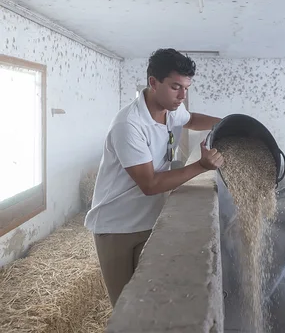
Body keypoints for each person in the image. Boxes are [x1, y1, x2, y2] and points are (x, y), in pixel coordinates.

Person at [84, 48, 224, 307]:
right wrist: (202, 166)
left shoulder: (171, 110)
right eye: (175, 87)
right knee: (128, 306)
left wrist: (227, 124)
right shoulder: (129, 125)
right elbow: (149, 184)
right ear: (152, 82)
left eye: (186, 87)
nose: (182, 95)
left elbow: (191, 119)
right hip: (118, 226)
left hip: (151, 218)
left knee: (151, 298)